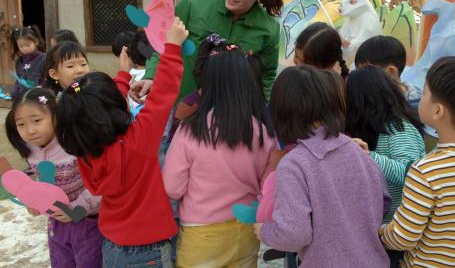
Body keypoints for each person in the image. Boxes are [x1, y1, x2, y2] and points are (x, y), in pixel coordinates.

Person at [54, 18, 188, 267]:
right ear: (114, 110)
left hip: (112, 246)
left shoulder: (85, 151)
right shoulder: (138, 141)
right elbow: (163, 94)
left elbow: (98, 105)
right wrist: (172, 47)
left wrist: (123, 74)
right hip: (149, 249)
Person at [255, 65, 391, 267]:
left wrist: (264, 230)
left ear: (281, 112)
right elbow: (384, 203)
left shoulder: (294, 165)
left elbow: (294, 235)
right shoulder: (359, 152)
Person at [162, 37, 276, 267]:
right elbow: (269, 185)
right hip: (246, 230)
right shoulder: (263, 130)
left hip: (201, 234)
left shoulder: (191, 130)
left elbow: (172, 188)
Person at [379, 56, 455, 267]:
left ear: (437, 111)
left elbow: (403, 237)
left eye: (425, 93)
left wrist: (380, 230)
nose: (420, 96)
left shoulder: (425, 172)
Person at [131, 0, 283, 102]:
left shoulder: (269, 28)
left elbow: (266, 75)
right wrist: (151, 76)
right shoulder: (194, 2)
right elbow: (163, 43)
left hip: (230, 115)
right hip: (180, 109)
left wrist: (259, 109)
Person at [5, 87, 103, 268]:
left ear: (56, 117)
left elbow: (101, 185)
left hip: (88, 221)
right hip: (57, 222)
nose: (30, 130)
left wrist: (76, 209)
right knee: (61, 263)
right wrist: (35, 203)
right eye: (21, 124)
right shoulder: (31, 150)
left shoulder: (75, 145)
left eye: (37, 120)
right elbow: (44, 183)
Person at [346, 65, 425, 267]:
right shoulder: (380, 128)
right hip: (387, 229)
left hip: (399, 232)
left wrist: (369, 157)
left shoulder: (398, 130)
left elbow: (411, 175)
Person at [355, 35, 421, 108]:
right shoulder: (369, 98)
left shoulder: (417, 106)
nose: (359, 78)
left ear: (391, 72)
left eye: (366, 73)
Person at [10, 26, 46, 100]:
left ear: (36, 42)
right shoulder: (19, 62)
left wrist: (42, 86)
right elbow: (19, 81)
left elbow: (49, 79)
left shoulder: (44, 59)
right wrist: (13, 95)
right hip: (23, 98)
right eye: (21, 46)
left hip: (39, 97)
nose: (24, 48)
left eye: (28, 45)